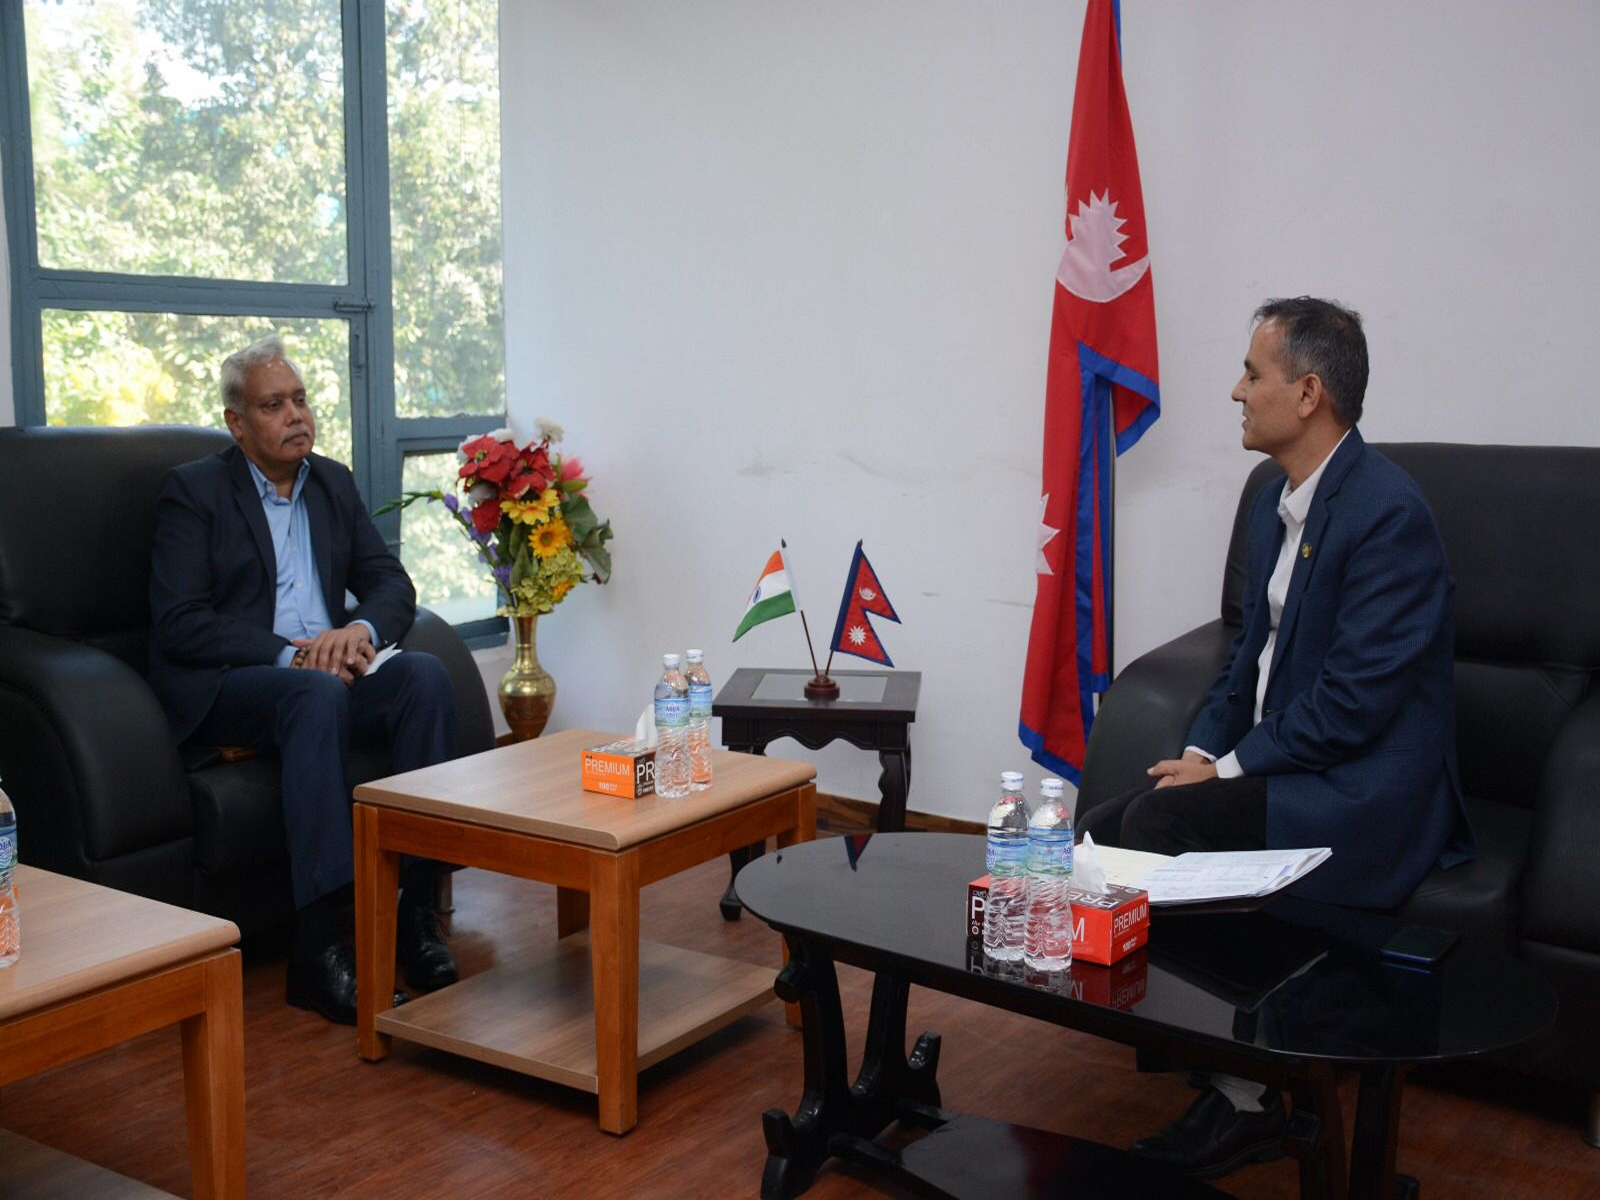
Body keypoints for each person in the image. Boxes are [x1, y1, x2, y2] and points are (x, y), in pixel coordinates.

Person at [1078, 297, 1474, 1178]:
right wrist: (1199, 754)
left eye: (1251, 374)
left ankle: (1252, 1092)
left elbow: (1353, 708)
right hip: (1277, 760)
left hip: (1361, 789)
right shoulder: (1274, 499)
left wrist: (1221, 770)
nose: (1234, 391)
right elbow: (1243, 657)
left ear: (1308, 394)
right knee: (1101, 831)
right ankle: (1225, 1061)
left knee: (1155, 832)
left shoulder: (1388, 516)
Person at [148, 335, 459, 1024]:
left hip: (327, 671)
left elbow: (387, 582)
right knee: (313, 690)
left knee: (426, 678)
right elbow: (180, 623)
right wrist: (292, 654)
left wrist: (361, 633)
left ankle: (415, 916)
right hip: (236, 681)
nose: (296, 416)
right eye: (272, 405)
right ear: (237, 423)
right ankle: (317, 950)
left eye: (300, 399)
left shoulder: (333, 481)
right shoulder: (195, 491)